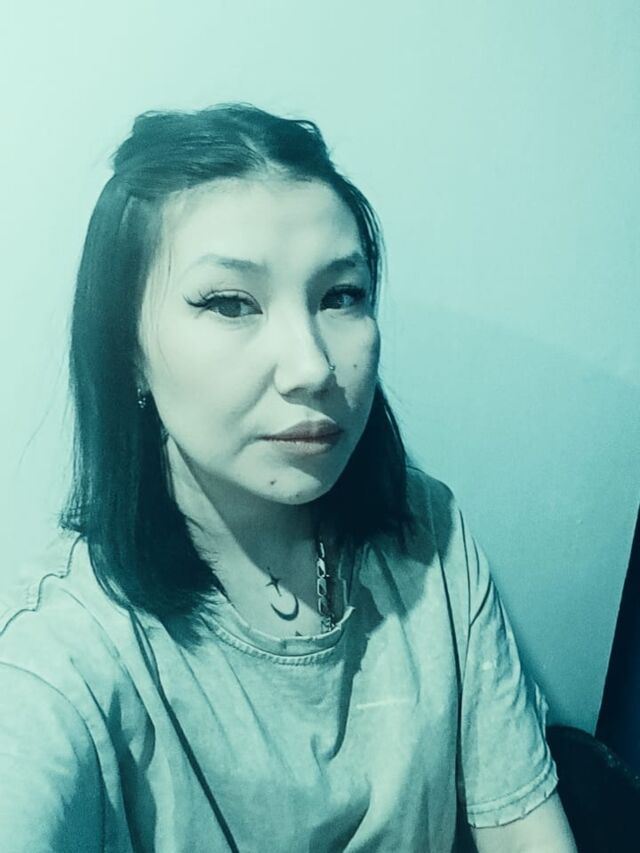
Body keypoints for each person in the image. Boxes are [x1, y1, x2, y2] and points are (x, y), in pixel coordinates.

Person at [0, 103, 577, 852]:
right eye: (230, 303)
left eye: (341, 295)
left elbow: (525, 830)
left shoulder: (426, 531)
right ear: (128, 351)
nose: (311, 366)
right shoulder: (63, 656)